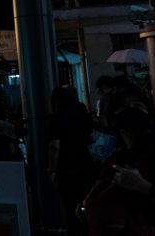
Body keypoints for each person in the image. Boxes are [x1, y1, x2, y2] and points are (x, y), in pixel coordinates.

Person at [83, 89, 155, 232]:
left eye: (137, 106)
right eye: (125, 108)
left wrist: (144, 186)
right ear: (113, 120)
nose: (132, 111)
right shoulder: (116, 158)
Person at [47, 86, 97, 234]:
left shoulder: (56, 118)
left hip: (65, 166)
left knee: (69, 205)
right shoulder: (81, 111)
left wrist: (52, 169)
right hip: (85, 162)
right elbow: (91, 136)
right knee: (86, 200)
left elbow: (55, 146)